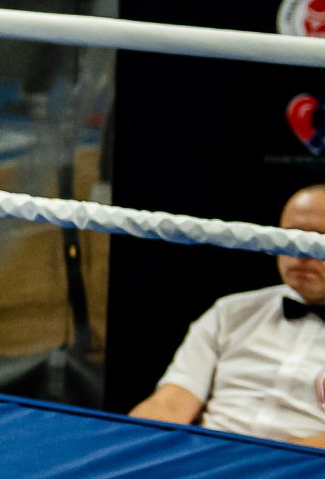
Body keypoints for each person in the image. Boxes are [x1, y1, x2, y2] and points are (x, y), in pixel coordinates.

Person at [130, 186, 325, 448]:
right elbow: (171, 403)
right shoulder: (230, 312)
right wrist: (127, 445)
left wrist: (270, 460)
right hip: (209, 456)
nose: (302, 252)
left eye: (319, 239)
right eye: (292, 236)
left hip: (305, 466)